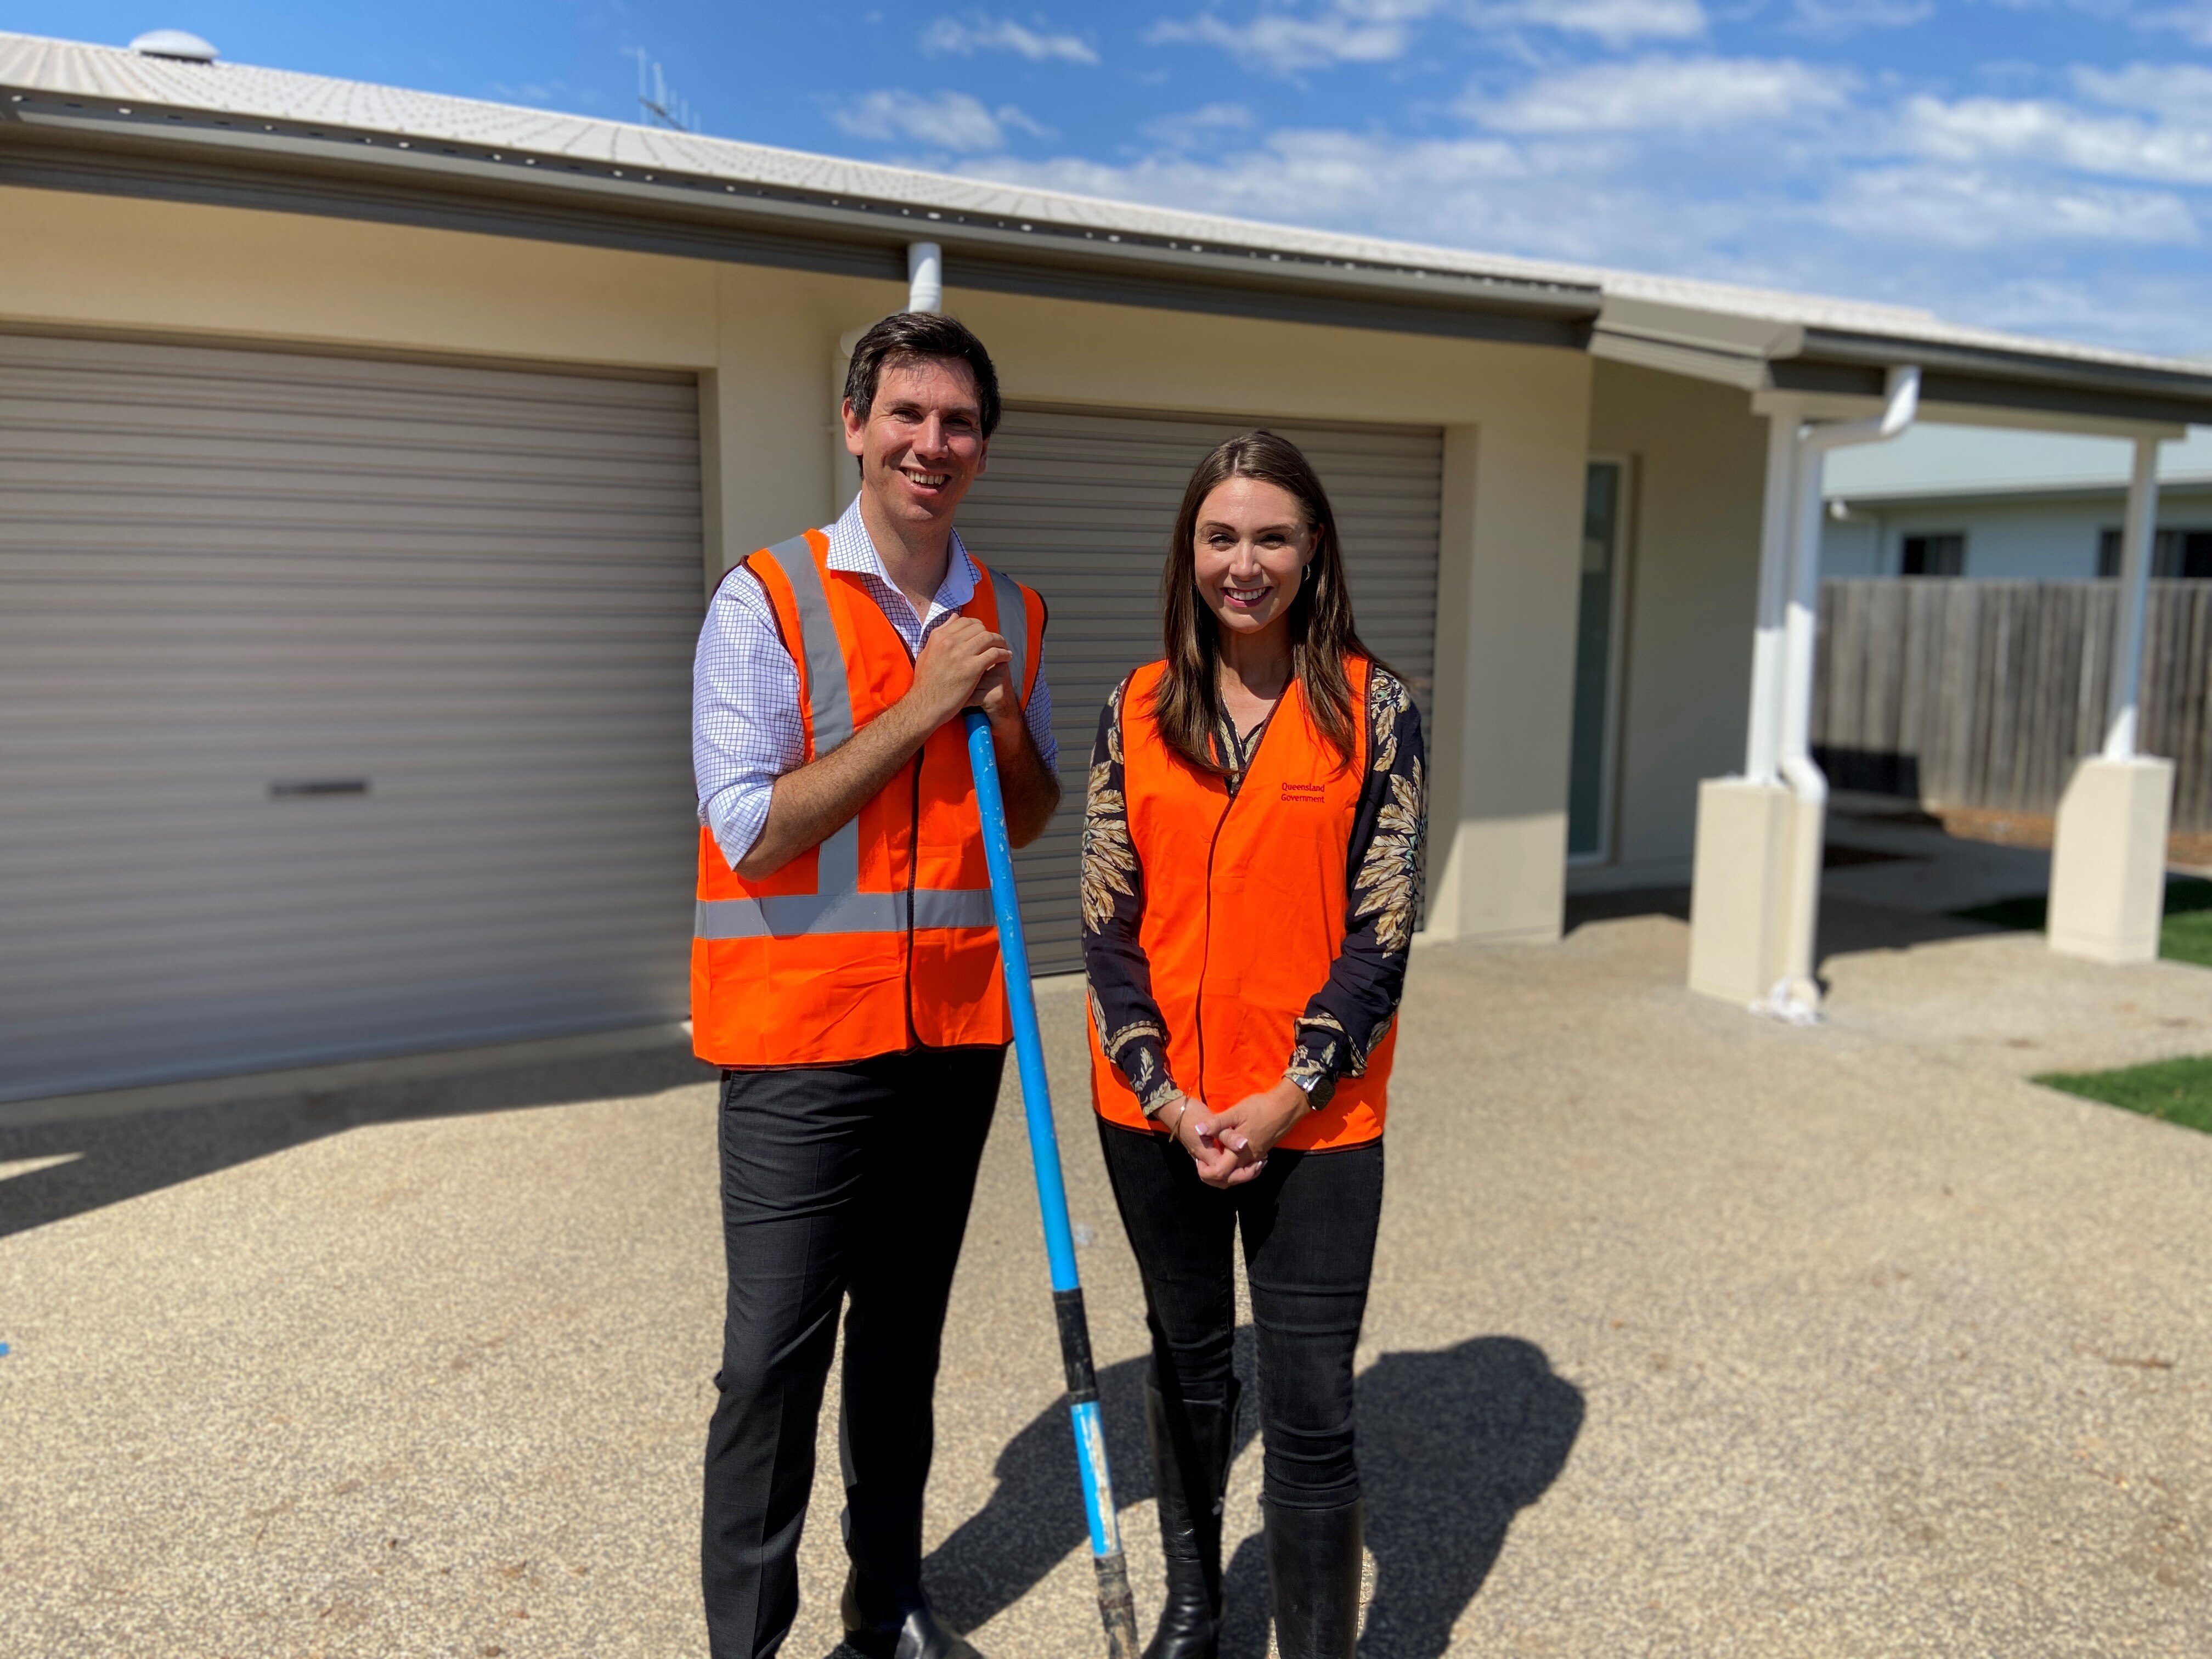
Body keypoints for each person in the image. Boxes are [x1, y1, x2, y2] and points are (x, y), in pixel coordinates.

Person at [691, 312, 1060, 1659]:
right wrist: (920, 706)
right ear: (855, 424)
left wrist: (1005, 716)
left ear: (982, 447)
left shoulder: (1007, 611)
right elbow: (750, 824)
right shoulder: (766, 597)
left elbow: (1023, 818)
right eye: (907, 413)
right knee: (772, 1364)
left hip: (955, 1039)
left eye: (959, 422)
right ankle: (748, 1642)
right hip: (800, 1041)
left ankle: (888, 1607)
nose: (932, 442)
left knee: (902, 1348)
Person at [1082, 431, 1426, 1659]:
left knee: (1312, 1405)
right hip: (1156, 1118)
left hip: (1319, 1124)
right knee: (1184, 1373)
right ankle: (1194, 1608)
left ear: (1314, 548)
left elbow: (1384, 929)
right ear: (1189, 550)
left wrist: (1287, 1095)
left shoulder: (1374, 707)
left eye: (1272, 536)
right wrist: (1171, 1099)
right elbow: (1106, 925)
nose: (1245, 562)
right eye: (1221, 536)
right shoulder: (1133, 709)